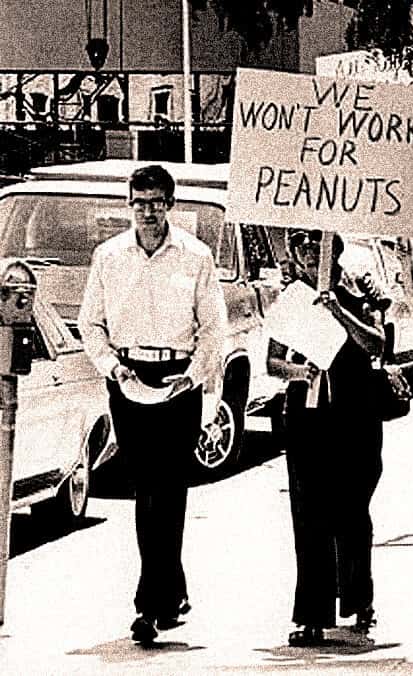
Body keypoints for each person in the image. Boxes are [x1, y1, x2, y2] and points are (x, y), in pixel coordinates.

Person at [78, 164, 228, 644]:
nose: (147, 211)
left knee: (170, 492)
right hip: (128, 380)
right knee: (147, 492)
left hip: (178, 382)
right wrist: (111, 367)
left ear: (170, 204)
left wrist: (196, 375)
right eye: (139, 202)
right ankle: (167, 593)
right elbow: (90, 324)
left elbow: (214, 327)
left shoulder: (195, 256)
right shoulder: (109, 256)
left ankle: (151, 604)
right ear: (129, 204)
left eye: (156, 201)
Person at [266, 230, 385, 646]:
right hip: (307, 417)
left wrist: (338, 312)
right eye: (299, 244)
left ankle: (358, 598)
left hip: (356, 415)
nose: (307, 251)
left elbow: (376, 343)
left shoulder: (361, 291)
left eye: (316, 243)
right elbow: (271, 362)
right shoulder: (293, 300)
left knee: (352, 510)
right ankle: (312, 614)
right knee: (310, 514)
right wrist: (300, 372)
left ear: (333, 250)